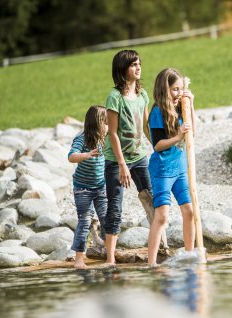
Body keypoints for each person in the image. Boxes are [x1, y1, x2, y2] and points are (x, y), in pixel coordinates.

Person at [104, 49, 162, 265]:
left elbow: (147, 128)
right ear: (122, 70)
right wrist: (121, 165)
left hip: (139, 158)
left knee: (153, 199)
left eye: (139, 64)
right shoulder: (114, 98)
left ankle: (160, 247)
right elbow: (112, 133)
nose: (138, 67)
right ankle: (110, 259)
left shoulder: (142, 95)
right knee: (115, 208)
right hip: (115, 161)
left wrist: (158, 147)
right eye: (133, 65)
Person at [146, 68, 196, 266]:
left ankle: (190, 255)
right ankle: (151, 263)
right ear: (164, 89)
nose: (179, 94)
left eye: (181, 89)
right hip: (163, 169)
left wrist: (190, 104)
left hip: (180, 165)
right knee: (162, 215)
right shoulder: (157, 111)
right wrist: (178, 137)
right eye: (175, 89)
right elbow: (157, 145)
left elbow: (193, 132)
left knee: (189, 211)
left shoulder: (180, 107)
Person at [68, 105, 108, 269]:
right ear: (95, 124)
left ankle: (105, 248)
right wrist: (86, 155)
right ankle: (79, 258)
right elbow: (71, 157)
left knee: (107, 219)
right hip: (83, 188)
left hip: (101, 187)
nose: (108, 126)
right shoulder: (82, 139)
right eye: (105, 123)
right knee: (84, 221)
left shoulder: (106, 139)